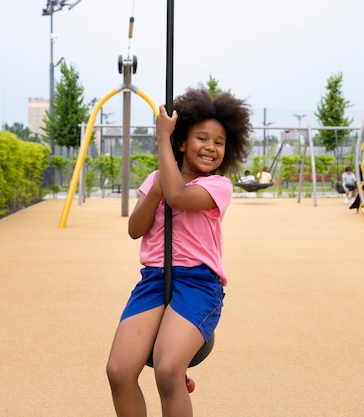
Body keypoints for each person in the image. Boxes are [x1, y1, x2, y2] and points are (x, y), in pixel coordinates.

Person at [106, 87, 252, 417]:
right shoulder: (158, 180)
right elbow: (135, 229)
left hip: (199, 284)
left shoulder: (217, 186)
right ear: (183, 142)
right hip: (154, 280)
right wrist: (158, 182)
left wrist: (162, 143)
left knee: (168, 371)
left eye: (219, 142)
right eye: (202, 138)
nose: (211, 147)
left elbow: (178, 197)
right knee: (119, 371)